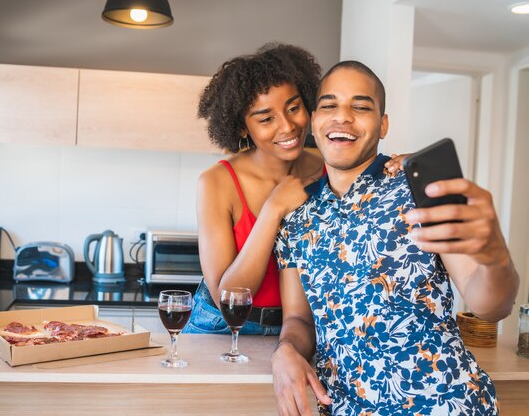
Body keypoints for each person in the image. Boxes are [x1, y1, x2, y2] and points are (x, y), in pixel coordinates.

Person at [271, 61, 519, 415]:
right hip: (346, 408)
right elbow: (299, 320)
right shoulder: (296, 218)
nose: (342, 117)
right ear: (313, 120)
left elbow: (490, 306)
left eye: (360, 106)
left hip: (445, 404)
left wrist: (495, 258)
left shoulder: (421, 189)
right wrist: (286, 350)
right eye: (329, 105)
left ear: (383, 124)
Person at [183, 44, 405, 335]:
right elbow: (227, 299)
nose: (287, 126)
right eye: (266, 119)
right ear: (241, 128)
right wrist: (273, 209)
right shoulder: (217, 182)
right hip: (222, 327)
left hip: (301, 329)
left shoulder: (330, 165)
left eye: (293, 108)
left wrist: (403, 165)